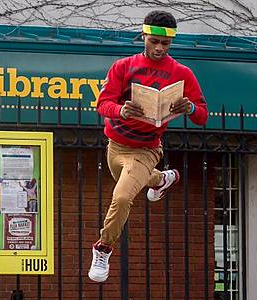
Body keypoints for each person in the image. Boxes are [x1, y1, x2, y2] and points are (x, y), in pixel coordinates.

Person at [88, 10, 208, 283]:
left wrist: (188, 106)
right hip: (116, 146)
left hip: (147, 149)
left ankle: (103, 248)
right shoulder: (123, 66)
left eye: (165, 44)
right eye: (154, 41)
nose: (159, 48)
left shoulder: (182, 73)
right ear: (144, 36)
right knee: (134, 181)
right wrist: (121, 110)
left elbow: (202, 114)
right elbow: (102, 104)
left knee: (121, 197)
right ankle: (161, 179)